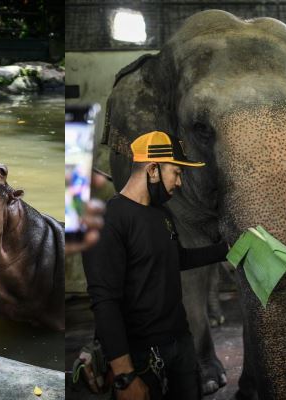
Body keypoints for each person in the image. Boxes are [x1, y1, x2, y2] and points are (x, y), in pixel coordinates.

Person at [82, 131, 228, 400]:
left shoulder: (162, 213)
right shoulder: (108, 221)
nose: (180, 182)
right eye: (176, 173)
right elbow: (105, 301)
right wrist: (125, 376)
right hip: (141, 356)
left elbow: (175, 259)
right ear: (152, 169)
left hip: (180, 344)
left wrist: (224, 251)